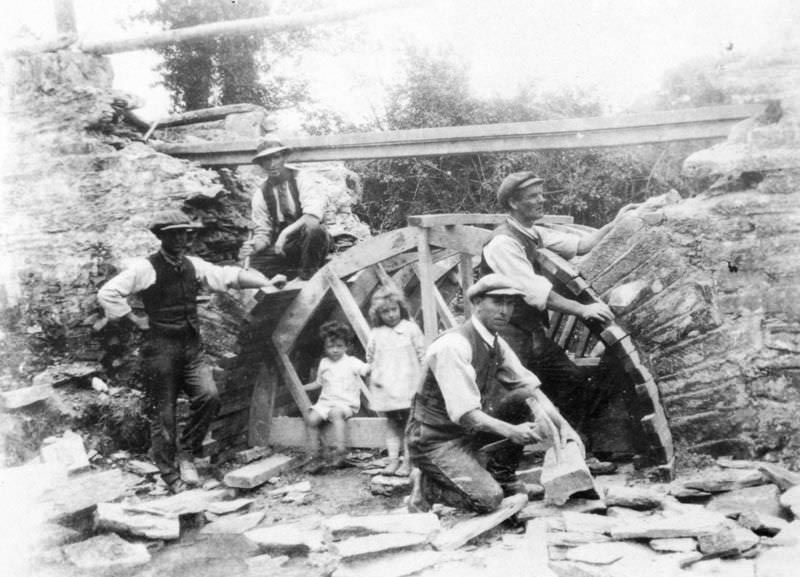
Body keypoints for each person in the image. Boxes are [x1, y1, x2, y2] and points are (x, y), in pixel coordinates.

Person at [97, 209, 285, 494]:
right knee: (164, 413)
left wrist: (266, 283)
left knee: (209, 397)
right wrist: (134, 319)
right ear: (161, 237)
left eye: (184, 233)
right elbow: (107, 293)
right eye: (173, 234)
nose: (180, 239)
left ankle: (187, 452)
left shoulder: (192, 264)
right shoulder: (145, 268)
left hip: (191, 347)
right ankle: (169, 473)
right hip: (160, 350)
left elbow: (227, 275)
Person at [480, 171, 638, 434]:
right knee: (516, 397)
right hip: (506, 334)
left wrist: (616, 222)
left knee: (572, 381)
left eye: (541, 194)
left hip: (530, 333)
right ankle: (502, 471)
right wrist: (583, 309)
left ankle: (572, 448)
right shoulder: (502, 242)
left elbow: (582, 244)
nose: (542, 200)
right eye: (533, 196)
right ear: (513, 203)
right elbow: (535, 292)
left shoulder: (532, 233)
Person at [406, 273, 577, 513]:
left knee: (521, 398)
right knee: (488, 500)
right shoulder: (453, 346)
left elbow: (528, 387)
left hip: (466, 434)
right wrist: (512, 431)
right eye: (497, 302)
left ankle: (501, 477)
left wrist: (565, 429)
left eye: (510, 303)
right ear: (476, 304)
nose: (505, 311)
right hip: (434, 439)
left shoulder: (495, 341)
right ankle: (427, 487)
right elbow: (466, 414)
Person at [239, 140, 332, 281]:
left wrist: (284, 234)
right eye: (266, 160)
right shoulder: (261, 193)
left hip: (309, 240)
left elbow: (313, 217)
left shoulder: (302, 178)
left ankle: (306, 278)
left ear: (284, 157)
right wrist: (255, 246)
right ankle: (292, 274)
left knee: (314, 230)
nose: (272, 164)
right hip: (284, 248)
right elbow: (263, 232)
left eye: (276, 157)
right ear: (261, 164)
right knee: (252, 265)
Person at [366, 286, 425, 477]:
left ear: (400, 308)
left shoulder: (410, 329)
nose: (391, 315)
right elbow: (370, 357)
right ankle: (393, 460)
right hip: (387, 386)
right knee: (392, 423)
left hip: (408, 384)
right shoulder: (376, 333)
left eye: (394, 310)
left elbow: (422, 354)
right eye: (385, 311)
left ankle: (408, 461)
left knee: (410, 424)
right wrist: (376, 375)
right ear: (378, 314)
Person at [305, 321, 371, 473]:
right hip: (326, 403)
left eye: (339, 346)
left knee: (335, 413)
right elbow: (318, 382)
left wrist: (373, 367)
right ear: (325, 347)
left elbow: (366, 369)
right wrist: (303, 387)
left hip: (346, 404)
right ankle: (315, 454)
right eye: (330, 346)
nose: (335, 350)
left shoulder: (352, 362)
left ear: (346, 346)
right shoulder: (324, 363)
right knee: (311, 419)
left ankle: (341, 449)